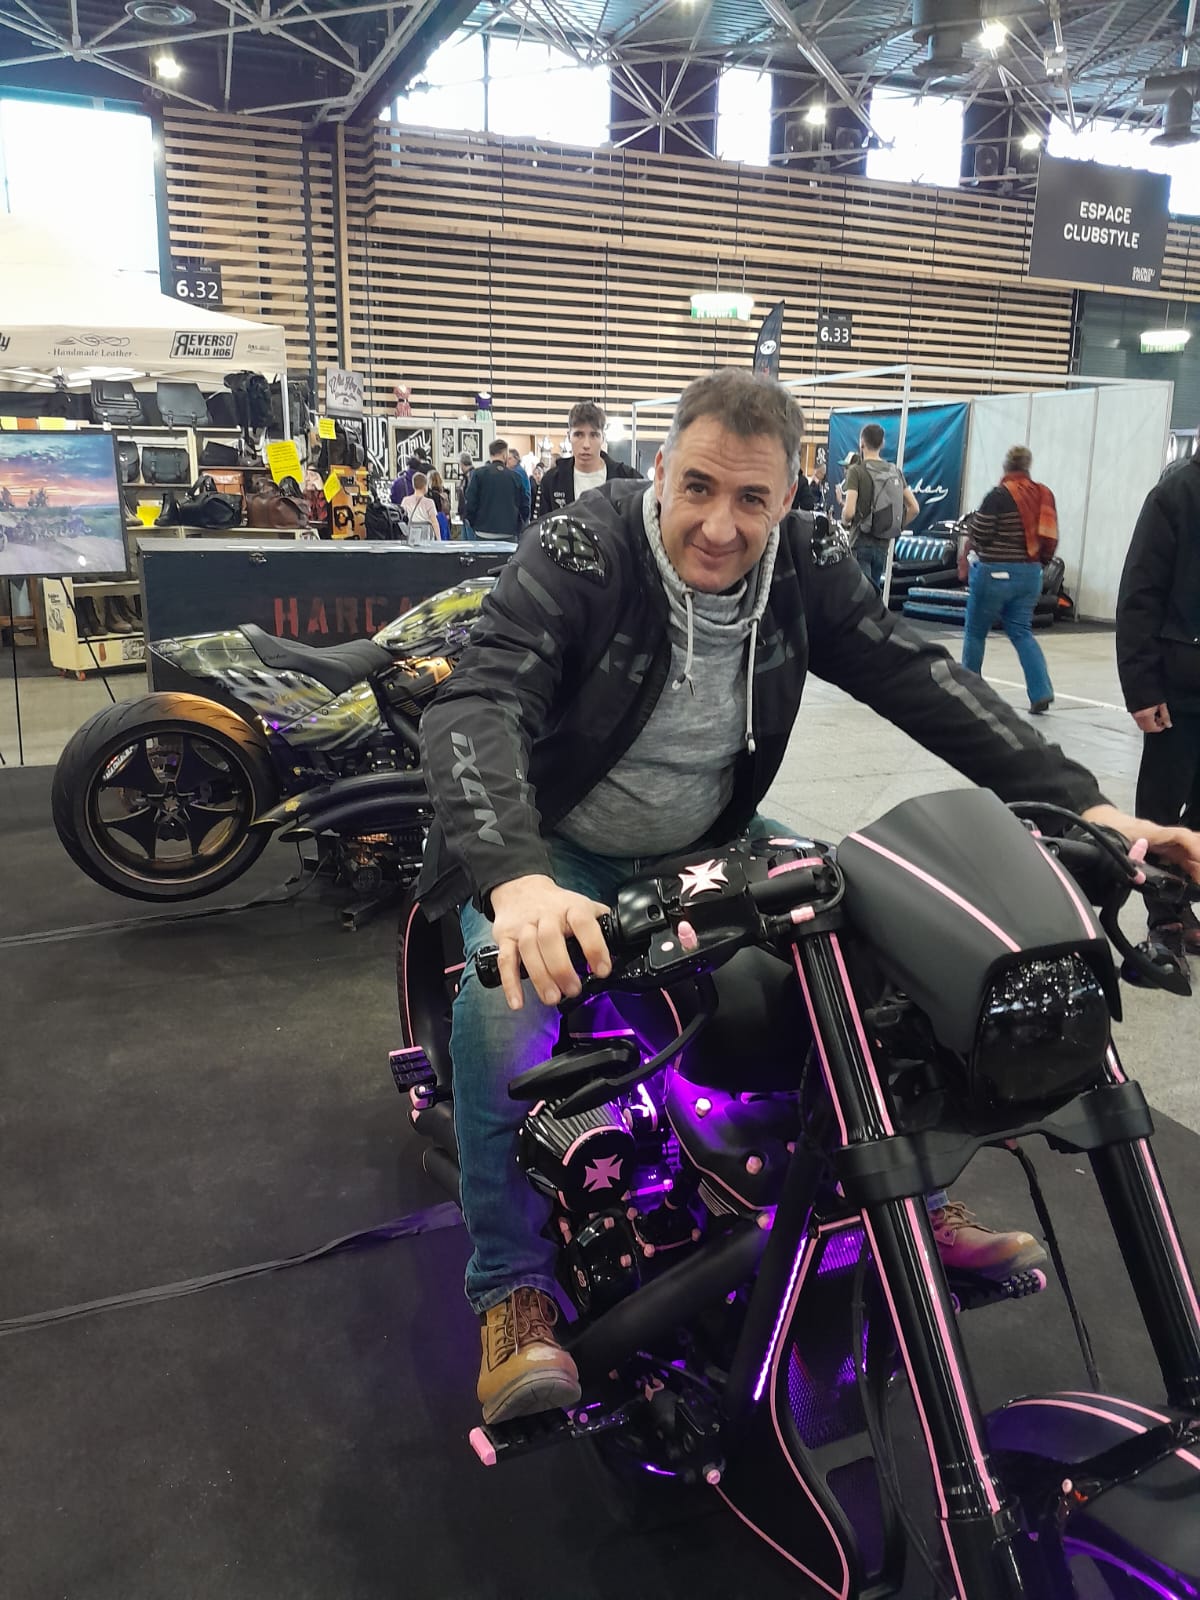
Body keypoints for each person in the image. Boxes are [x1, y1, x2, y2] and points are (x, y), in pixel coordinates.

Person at [418, 368, 1200, 1426]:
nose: (720, 525)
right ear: (663, 470)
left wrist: (1090, 807)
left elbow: (921, 679)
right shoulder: (582, 550)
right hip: (560, 847)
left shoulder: (807, 563)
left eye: (753, 498)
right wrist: (517, 880)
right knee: (501, 1000)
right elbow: (478, 702)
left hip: (715, 833)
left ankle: (902, 1187)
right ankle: (511, 1287)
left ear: (790, 495)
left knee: (882, 933)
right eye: (699, 488)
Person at [1117, 433, 1200, 953]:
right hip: (1178, 688)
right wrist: (1142, 688)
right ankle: (1164, 915)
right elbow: (1139, 595)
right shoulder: (1175, 496)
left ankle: (1184, 897)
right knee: (1163, 810)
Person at [959, 445, 1057, 716]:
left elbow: (981, 533)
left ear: (1006, 467)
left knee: (976, 632)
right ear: (1027, 467)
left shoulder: (999, 496)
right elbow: (1050, 538)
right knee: (1022, 632)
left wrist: (972, 534)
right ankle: (1041, 691)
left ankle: (971, 692)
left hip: (995, 574)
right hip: (1030, 575)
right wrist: (1037, 565)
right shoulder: (1044, 494)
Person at [841, 424, 919, 594]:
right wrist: (895, 526)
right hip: (883, 544)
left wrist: (844, 520)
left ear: (861, 443)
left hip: (860, 540)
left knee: (859, 596)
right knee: (874, 594)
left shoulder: (856, 471)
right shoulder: (895, 471)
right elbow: (914, 508)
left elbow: (849, 512)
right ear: (882, 444)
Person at [531, 401, 642, 520]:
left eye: (594, 435)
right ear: (569, 436)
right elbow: (540, 526)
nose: (586, 445)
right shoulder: (552, 481)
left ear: (603, 438)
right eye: (578, 435)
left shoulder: (628, 479)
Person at [463, 438, 528, 539]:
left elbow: (470, 502)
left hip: (483, 531)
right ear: (505, 455)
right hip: (509, 532)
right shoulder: (516, 477)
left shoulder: (479, 474)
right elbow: (524, 506)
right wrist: (518, 526)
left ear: (490, 454)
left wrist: (474, 523)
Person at [401, 472, 440, 543]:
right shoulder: (429, 502)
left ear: (413, 486)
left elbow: (403, 516)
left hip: (412, 532)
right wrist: (438, 539)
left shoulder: (406, 500)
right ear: (425, 486)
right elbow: (434, 522)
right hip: (426, 533)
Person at [507, 449, 531, 516]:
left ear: (516, 459)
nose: (507, 461)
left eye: (510, 458)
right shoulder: (516, 471)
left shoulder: (517, 473)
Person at [457, 451, 476, 539]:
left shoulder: (472, 476)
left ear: (461, 463)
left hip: (470, 516)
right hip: (465, 515)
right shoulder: (466, 476)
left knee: (470, 541)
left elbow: (469, 496)